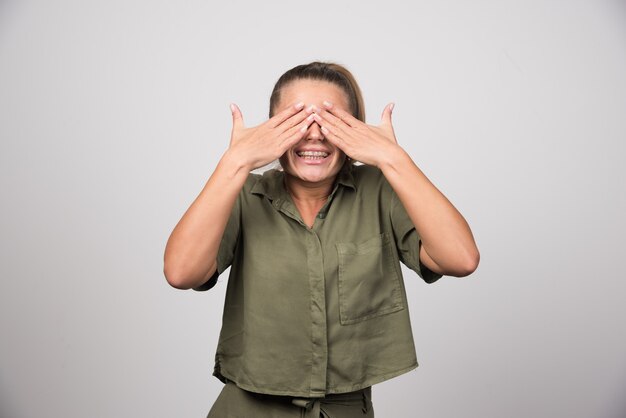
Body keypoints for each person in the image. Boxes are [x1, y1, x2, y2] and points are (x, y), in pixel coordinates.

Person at [163, 61, 480, 417]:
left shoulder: (380, 191)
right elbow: (181, 273)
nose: (313, 135)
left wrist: (393, 158)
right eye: (296, 121)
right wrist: (235, 162)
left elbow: (461, 259)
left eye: (330, 122)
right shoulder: (243, 194)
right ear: (271, 130)